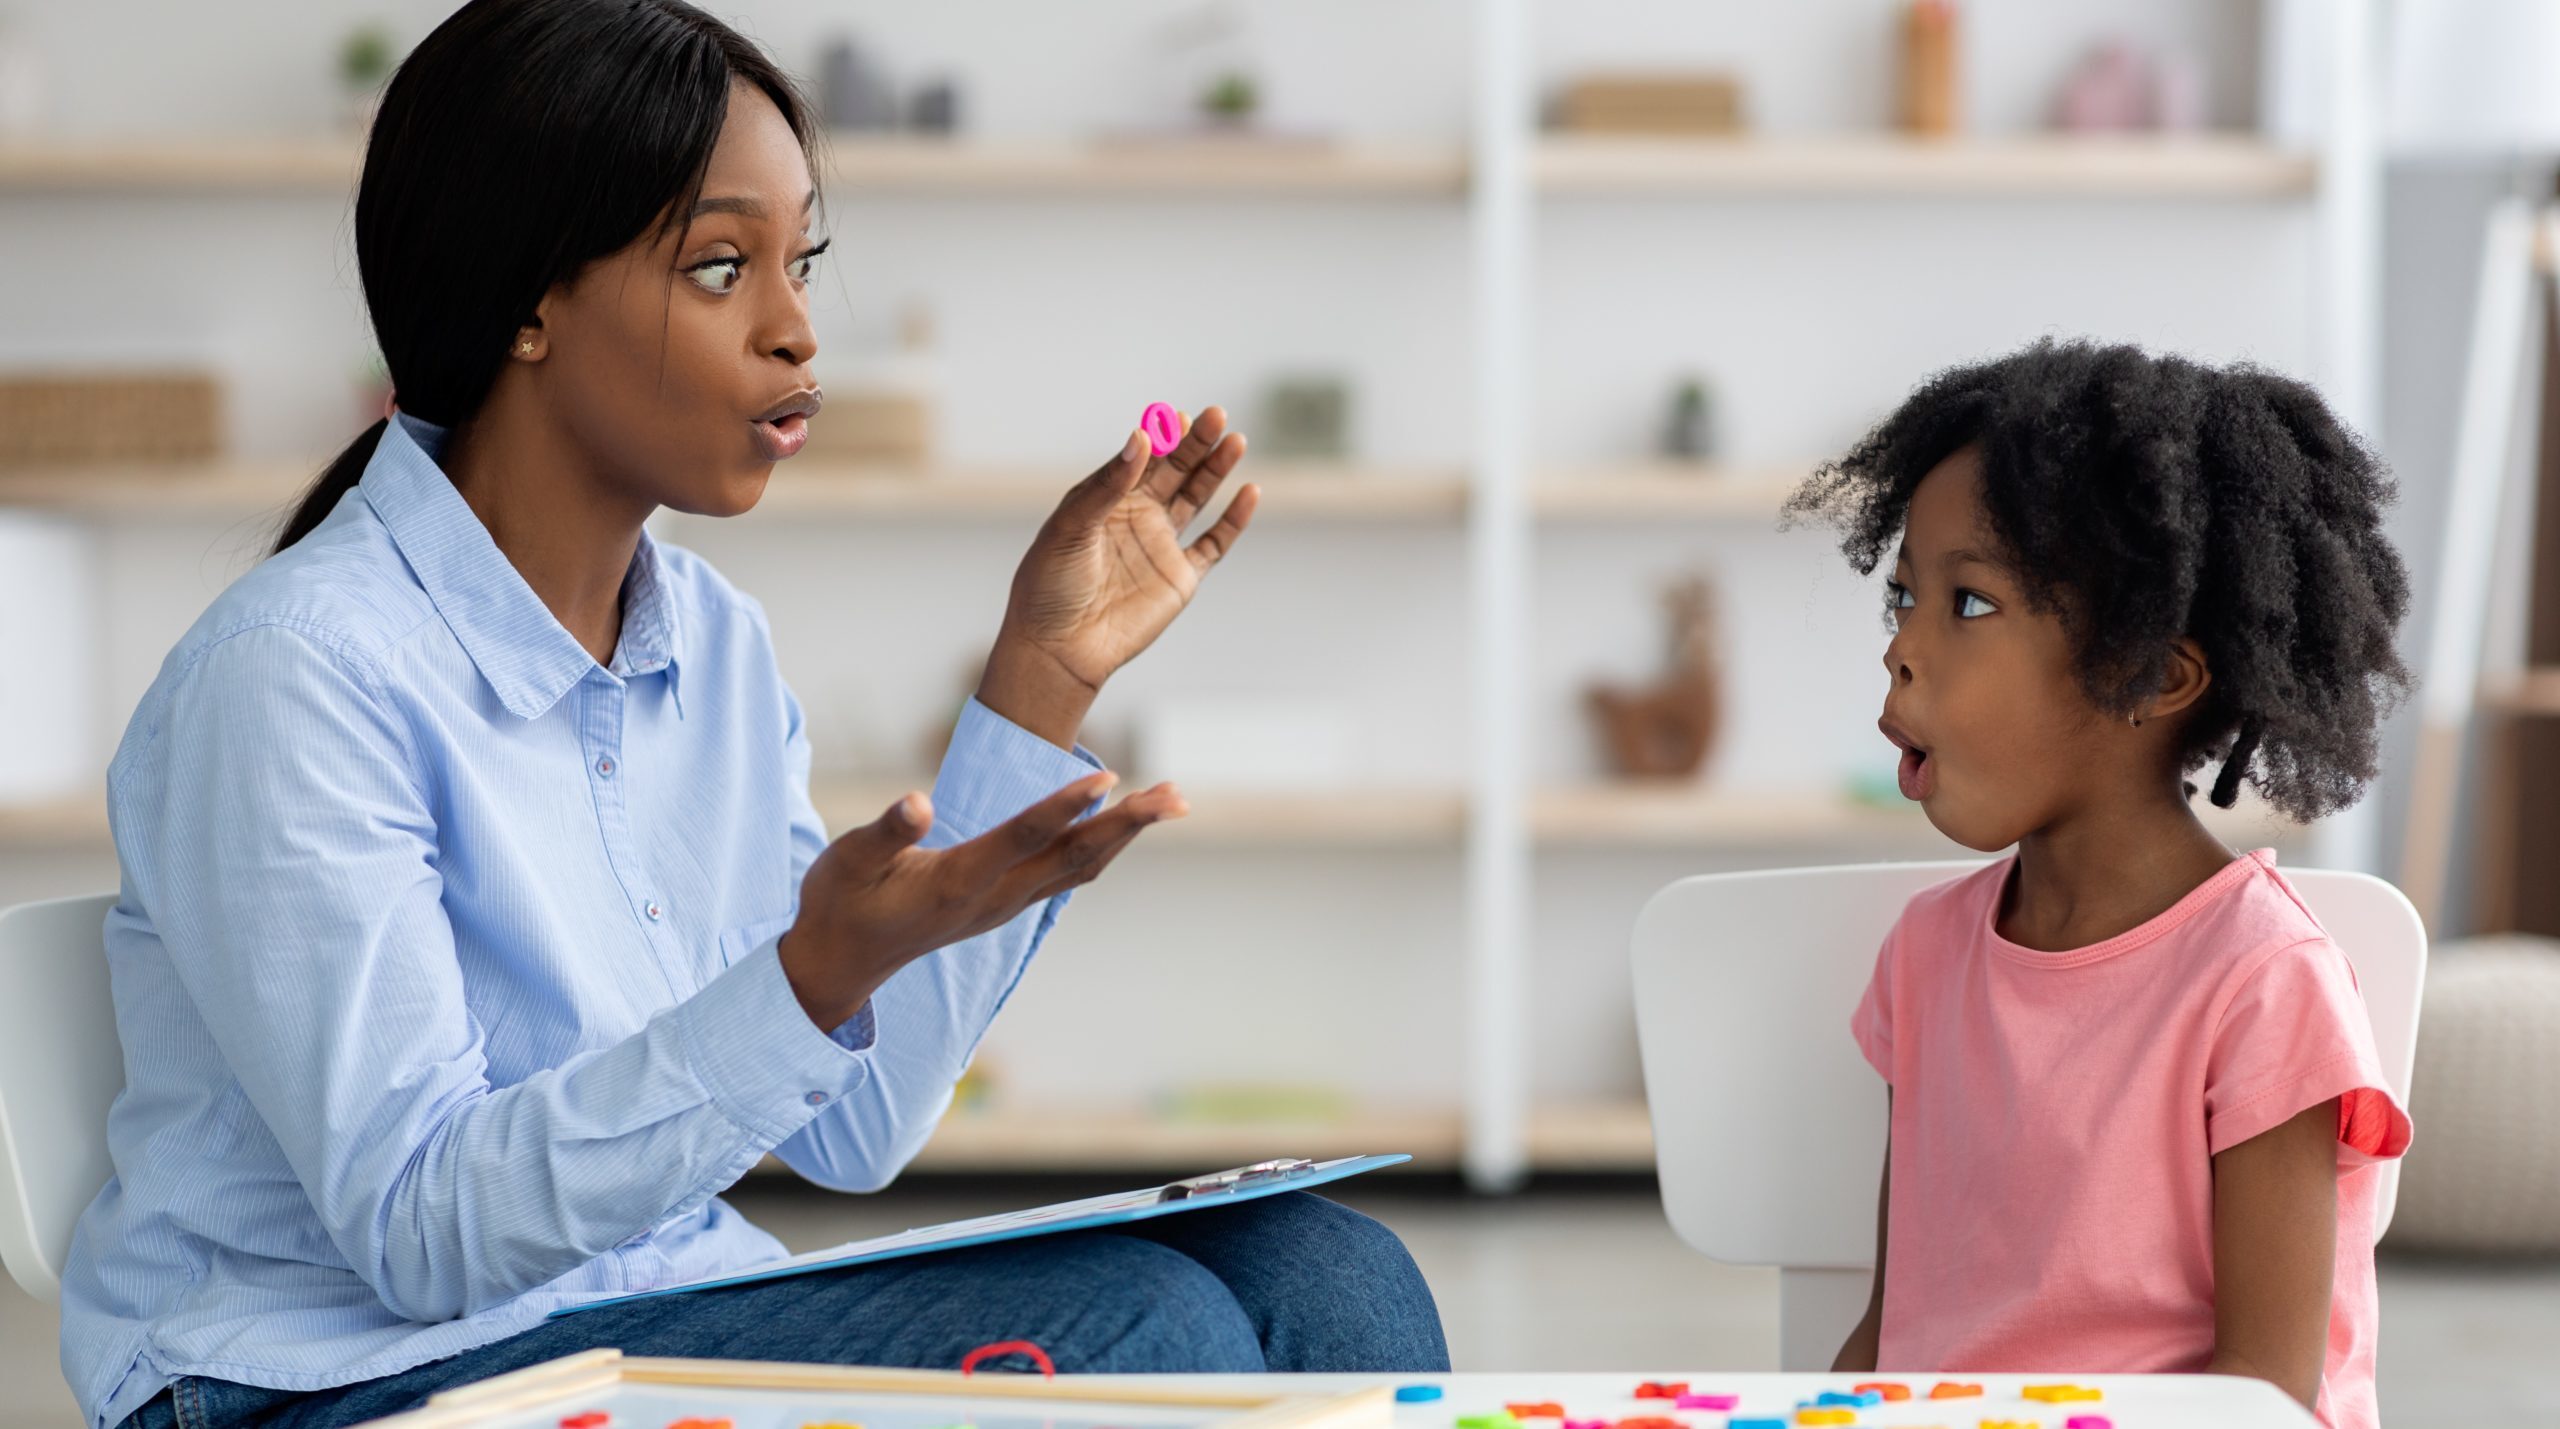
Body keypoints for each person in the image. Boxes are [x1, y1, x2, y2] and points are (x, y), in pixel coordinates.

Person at [63, 4, 1446, 1426]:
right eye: (721, 268)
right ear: (527, 300)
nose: (796, 330)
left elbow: (858, 1126)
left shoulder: (713, 645)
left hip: (635, 1308)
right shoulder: (295, 673)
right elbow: (426, 1232)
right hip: (331, 1379)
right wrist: (803, 980)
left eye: (802, 263)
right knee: (1145, 1331)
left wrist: (1041, 676)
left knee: (1326, 1269)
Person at [1795, 340, 2413, 1429]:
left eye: (1967, 604)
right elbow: (1895, 1333)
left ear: (2151, 674)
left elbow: (2264, 1394)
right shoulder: (1925, 957)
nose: (1901, 650)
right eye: (1903, 599)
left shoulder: (2264, 984)